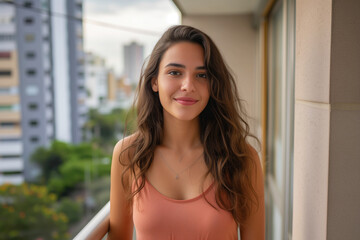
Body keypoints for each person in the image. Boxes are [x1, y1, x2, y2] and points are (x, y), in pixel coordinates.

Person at [107, 25, 265, 240]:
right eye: (174, 72)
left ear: (213, 85)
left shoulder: (242, 158)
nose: (188, 85)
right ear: (154, 81)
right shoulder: (128, 154)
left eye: (202, 75)